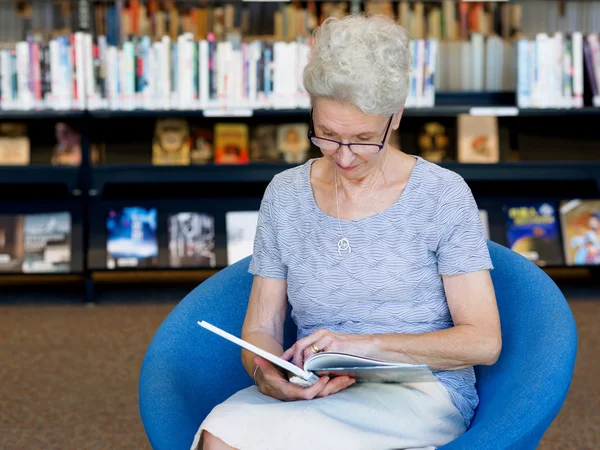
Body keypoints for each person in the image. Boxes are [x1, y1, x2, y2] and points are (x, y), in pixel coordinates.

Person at [192, 14, 501, 450]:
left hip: (421, 393)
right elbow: (262, 326)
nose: (344, 157)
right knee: (219, 437)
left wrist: (365, 345)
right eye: (327, 135)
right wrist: (267, 374)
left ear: (396, 117)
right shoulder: (285, 194)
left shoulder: (441, 195)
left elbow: (483, 341)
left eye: (361, 138)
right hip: (319, 388)